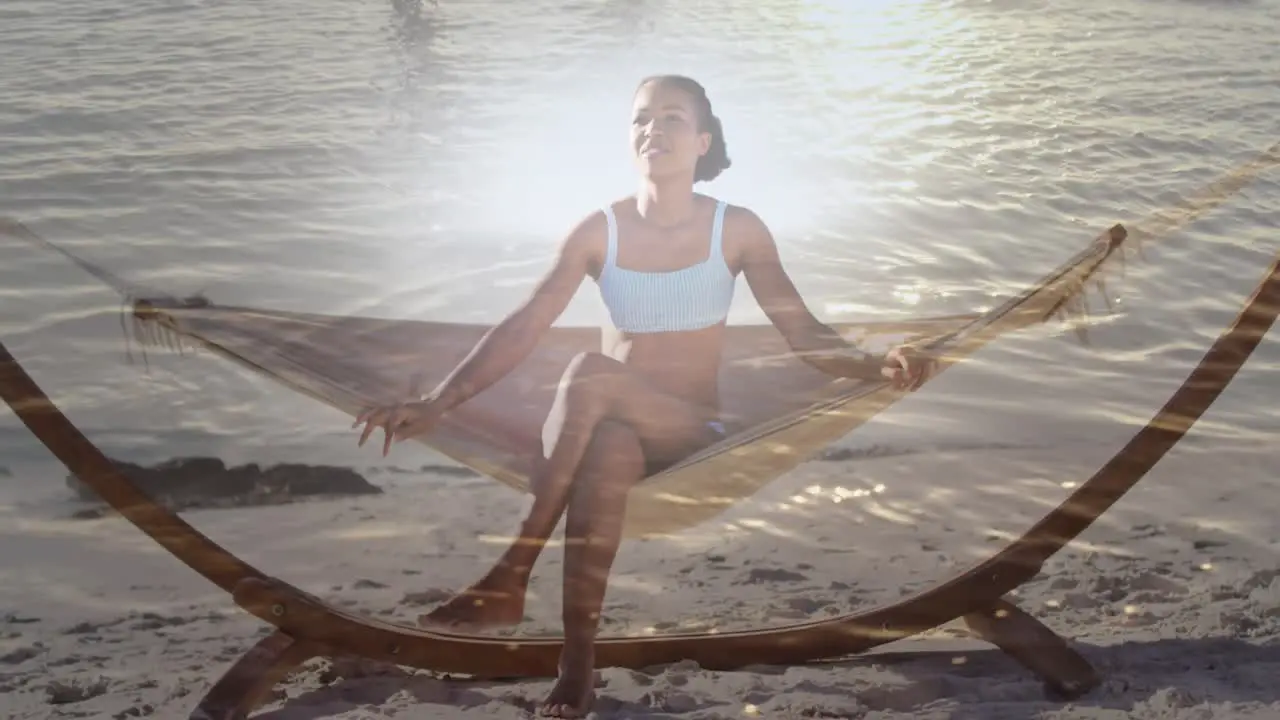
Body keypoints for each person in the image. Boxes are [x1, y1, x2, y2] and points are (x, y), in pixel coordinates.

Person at [353, 74, 937, 718]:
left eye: (672, 118)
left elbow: (803, 332)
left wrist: (873, 363)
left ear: (702, 140)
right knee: (603, 448)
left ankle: (510, 576)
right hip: (610, 430)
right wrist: (440, 401)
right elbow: (524, 324)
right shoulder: (598, 230)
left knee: (591, 372)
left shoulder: (735, 229)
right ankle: (577, 668)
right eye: (640, 119)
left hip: (690, 433)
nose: (652, 129)